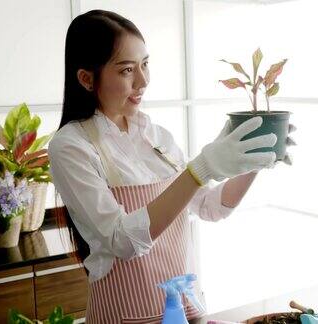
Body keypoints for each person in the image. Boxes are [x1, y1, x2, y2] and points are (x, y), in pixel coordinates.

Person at [48, 10, 294, 324]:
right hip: (126, 315)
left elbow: (210, 207)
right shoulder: (72, 146)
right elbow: (122, 241)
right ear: (86, 78)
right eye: (126, 70)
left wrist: (253, 159)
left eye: (145, 64)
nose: (143, 80)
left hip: (186, 311)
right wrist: (200, 168)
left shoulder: (155, 137)